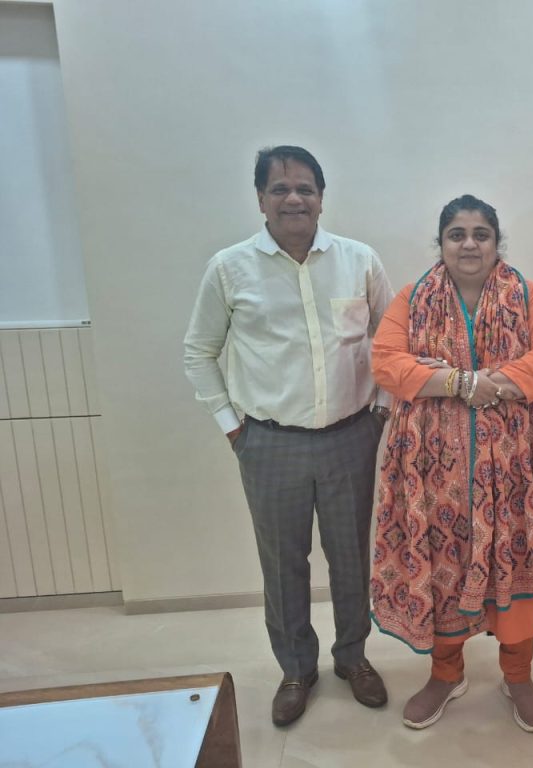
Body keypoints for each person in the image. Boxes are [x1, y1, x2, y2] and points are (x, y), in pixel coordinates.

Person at [184, 145, 393, 727]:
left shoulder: (359, 260)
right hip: (269, 443)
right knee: (283, 564)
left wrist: (381, 410)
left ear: (321, 197)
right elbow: (198, 352)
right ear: (261, 200)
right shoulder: (229, 268)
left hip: (351, 436)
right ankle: (296, 669)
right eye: (280, 189)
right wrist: (232, 427)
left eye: (305, 188)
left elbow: (393, 342)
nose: (293, 198)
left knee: (350, 556)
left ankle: (352, 657)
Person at [371, 194, 533, 733]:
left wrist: (475, 383)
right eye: (456, 234)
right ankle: (446, 674)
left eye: (481, 234)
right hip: (431, 476)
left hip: (513, 472)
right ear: (440, 243)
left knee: (514, 562)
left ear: (496, 243)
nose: (469, 244)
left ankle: (518, 676)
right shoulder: (413, 298)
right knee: (443, 567)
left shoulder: (527, 295)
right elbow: (387, 363)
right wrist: (463, 382)